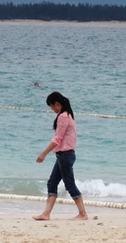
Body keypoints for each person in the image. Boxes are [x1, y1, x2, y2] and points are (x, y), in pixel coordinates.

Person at [33, 91, 88, 220]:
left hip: (65, 155)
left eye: (52, 106)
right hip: (64, 155)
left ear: (57, 104)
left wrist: (44, 153)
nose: (52, 109)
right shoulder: (69, 115)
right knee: (52, 183)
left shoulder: (63, 116)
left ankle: (83, 213)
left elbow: (57, 139)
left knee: (69, 184)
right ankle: (46, 214)